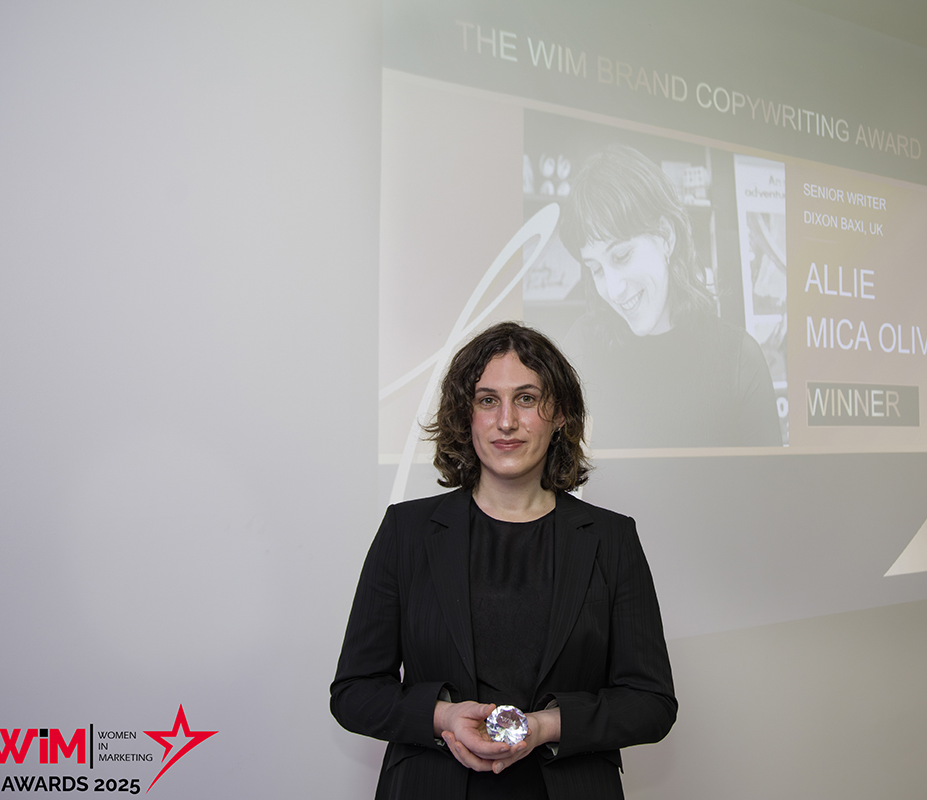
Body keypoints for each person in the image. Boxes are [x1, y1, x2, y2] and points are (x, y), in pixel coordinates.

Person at [331, 321, 677, 800]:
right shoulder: (406, 531)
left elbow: (651, 703)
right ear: (466, 415)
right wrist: (443, 716)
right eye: (487, 400)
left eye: (527, 399)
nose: (507, 421)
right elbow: (354, 692)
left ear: (560, 414)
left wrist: (545, 726)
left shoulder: (611, 538)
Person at [558, 144, 783, 447]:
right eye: (595, 268)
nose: (613, 288)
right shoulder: (580, 350)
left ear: (665, 236)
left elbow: (771, 478)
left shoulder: (739, 360)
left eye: (622, 256)